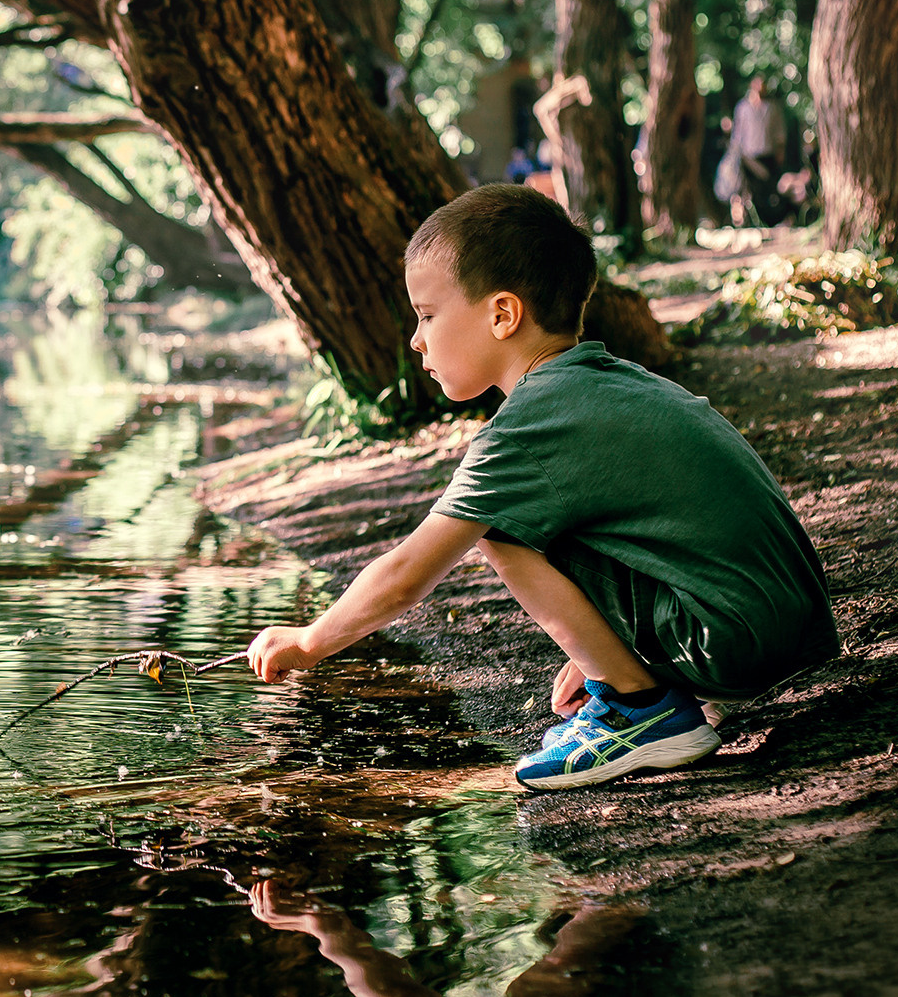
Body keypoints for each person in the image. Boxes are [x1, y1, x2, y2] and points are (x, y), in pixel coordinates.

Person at [244, 184, 840, 790]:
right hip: (787, 623)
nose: (417, 339)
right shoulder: (608, 381)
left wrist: (309, 641)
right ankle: (634, 687)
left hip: (733, 640)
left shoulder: (527, 429)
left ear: (503, 315)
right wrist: (602, 646)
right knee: (515, 514)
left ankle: (641, 713)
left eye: (427, 315)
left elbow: (405, 577)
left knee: (494, 525)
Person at [716, 74, 785, 226]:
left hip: (767, 154)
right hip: (748, 156)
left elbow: (779, 132)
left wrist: (780, 150)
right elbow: (738, 134)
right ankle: (750, 220)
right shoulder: (743, 108)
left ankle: (769, 220)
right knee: (749, 189)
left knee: (768, 187)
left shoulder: (772, 108)